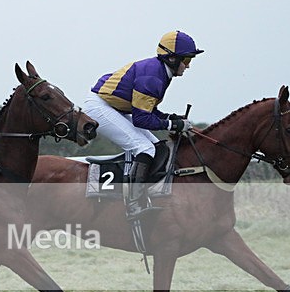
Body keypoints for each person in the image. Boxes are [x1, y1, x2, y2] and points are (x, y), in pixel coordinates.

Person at [83, 30, 203, 219]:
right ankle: (133, 203)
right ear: (172, 59)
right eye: (186, 60)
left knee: (157, 147)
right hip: (100, 107)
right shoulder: (153, 76)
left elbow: (146, 110)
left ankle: (145, 194)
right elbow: (141, 119)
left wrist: (170, 118)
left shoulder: (161, 72)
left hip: (118, 107)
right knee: (144, 148)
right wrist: (173, 125)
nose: (188, 66)